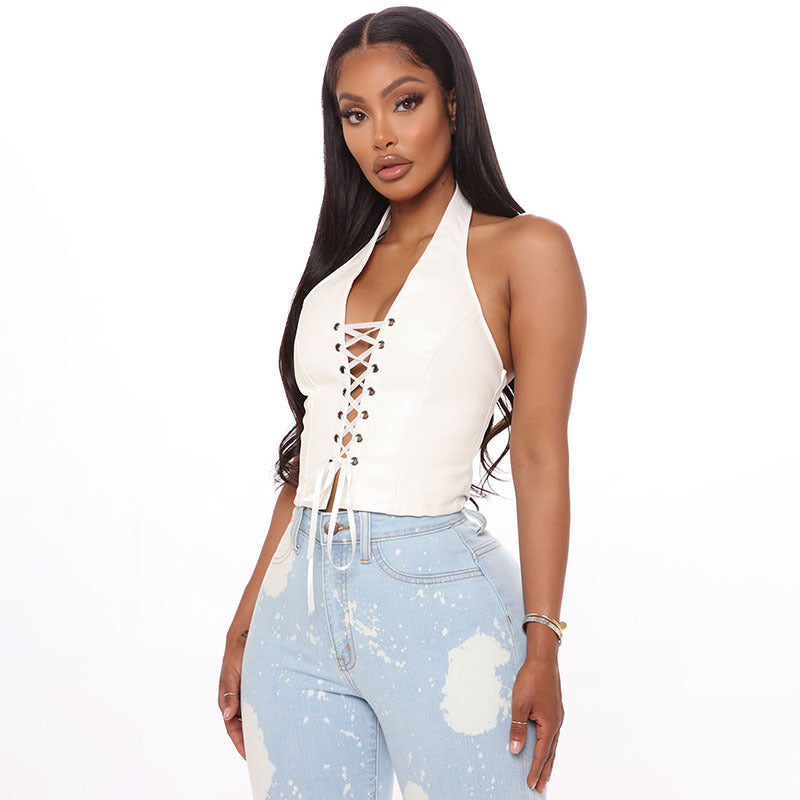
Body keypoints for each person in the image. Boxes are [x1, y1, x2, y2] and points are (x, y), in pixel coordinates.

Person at [218, 7, 586, 798]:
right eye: (355, 115)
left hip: (440, 605)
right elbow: (311, 455)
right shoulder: (337, 266)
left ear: (452, 102)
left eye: (405, 102)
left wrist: (544, 643)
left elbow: (539, 453)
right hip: (293, 612)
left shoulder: (525, 249)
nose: (380, 135)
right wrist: (246, 618)